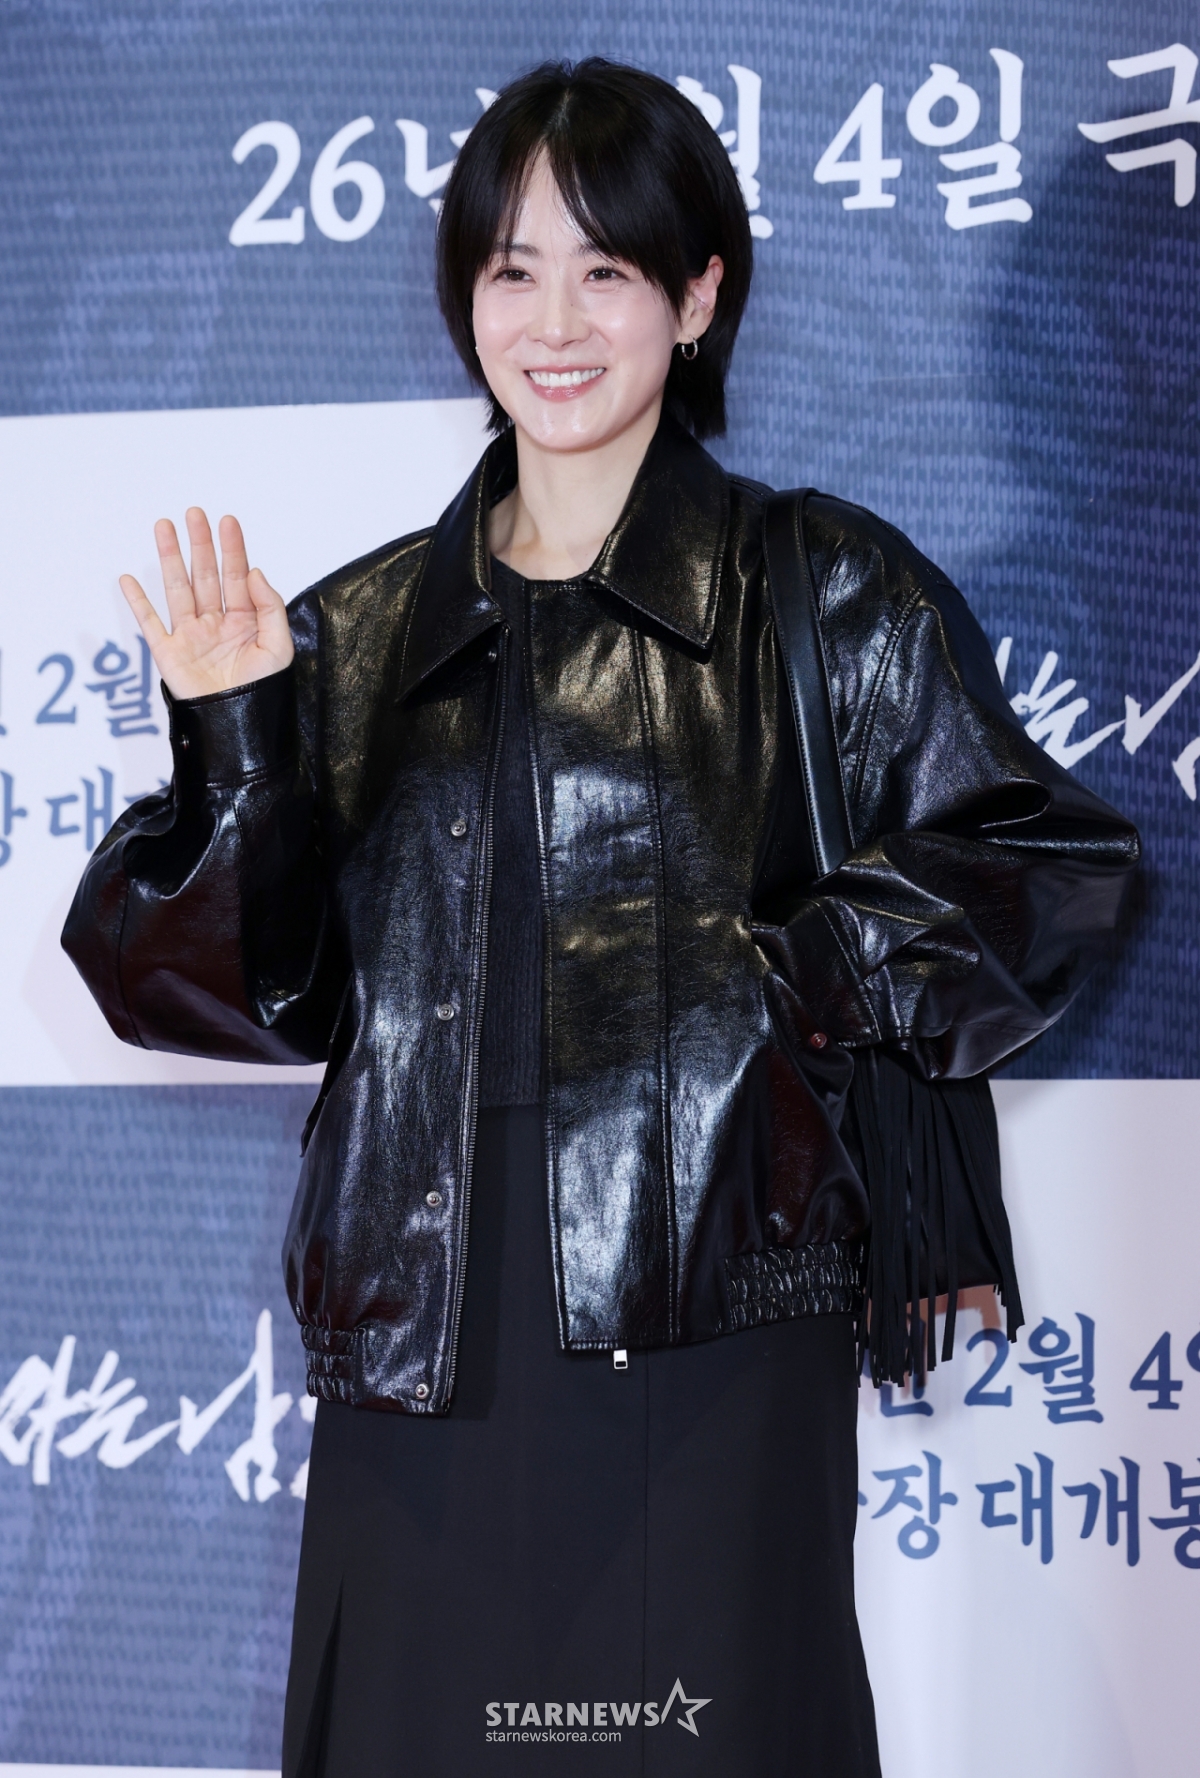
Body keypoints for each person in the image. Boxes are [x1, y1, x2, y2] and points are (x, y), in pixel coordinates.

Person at [63, 58, 1138, 1778]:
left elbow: (1050, 860)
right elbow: (223, 988)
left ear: (697, 299)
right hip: (427, 1330)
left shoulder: (819, 584)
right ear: (465, 301)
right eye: (512, 270)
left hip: (709, 1310)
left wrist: (783, 982)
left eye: (607, 269)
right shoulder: (354, 633)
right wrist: (241, 741)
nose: (553, 322)